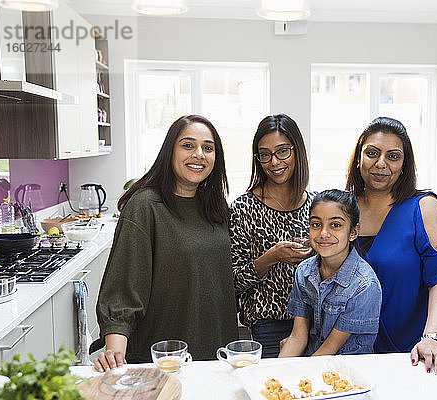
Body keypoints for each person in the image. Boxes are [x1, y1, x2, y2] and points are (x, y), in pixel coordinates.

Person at [92, 115, 238, 371]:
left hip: (216, 353)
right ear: (170, 151)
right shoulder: (144, 206)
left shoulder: (216, 208)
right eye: (188, 145)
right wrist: (116, 355)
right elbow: (123, 287)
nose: (199, 154)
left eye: (208, 148)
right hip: (163, 357)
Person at [346, 117, 437, 375]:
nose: (381, 164)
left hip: (407, 351)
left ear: (404, 165)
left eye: (393, 156)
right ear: (359, 158)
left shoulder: (424, 207)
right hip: (346, 348)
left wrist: (433, 337)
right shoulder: (343, 208)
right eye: (372, 153)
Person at [230, 114, 315, 358]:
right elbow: (233, 282)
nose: (274, 162)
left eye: (282, 151)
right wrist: (271, 257)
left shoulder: (316, 205)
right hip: (269, 327)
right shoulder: (243, 208)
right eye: (264, 154)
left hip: (317, 323)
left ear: (297, 151)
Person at [279, 189, 381, 357]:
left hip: (346, 371)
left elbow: (329, 350)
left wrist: (299, 378)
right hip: (313, 360)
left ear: (353, 232)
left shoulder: (365, 285)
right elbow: (298, 337)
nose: (323, 233)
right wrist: (274, 375)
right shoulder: (303, 272)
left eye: (335, 225)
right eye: (316, 224)